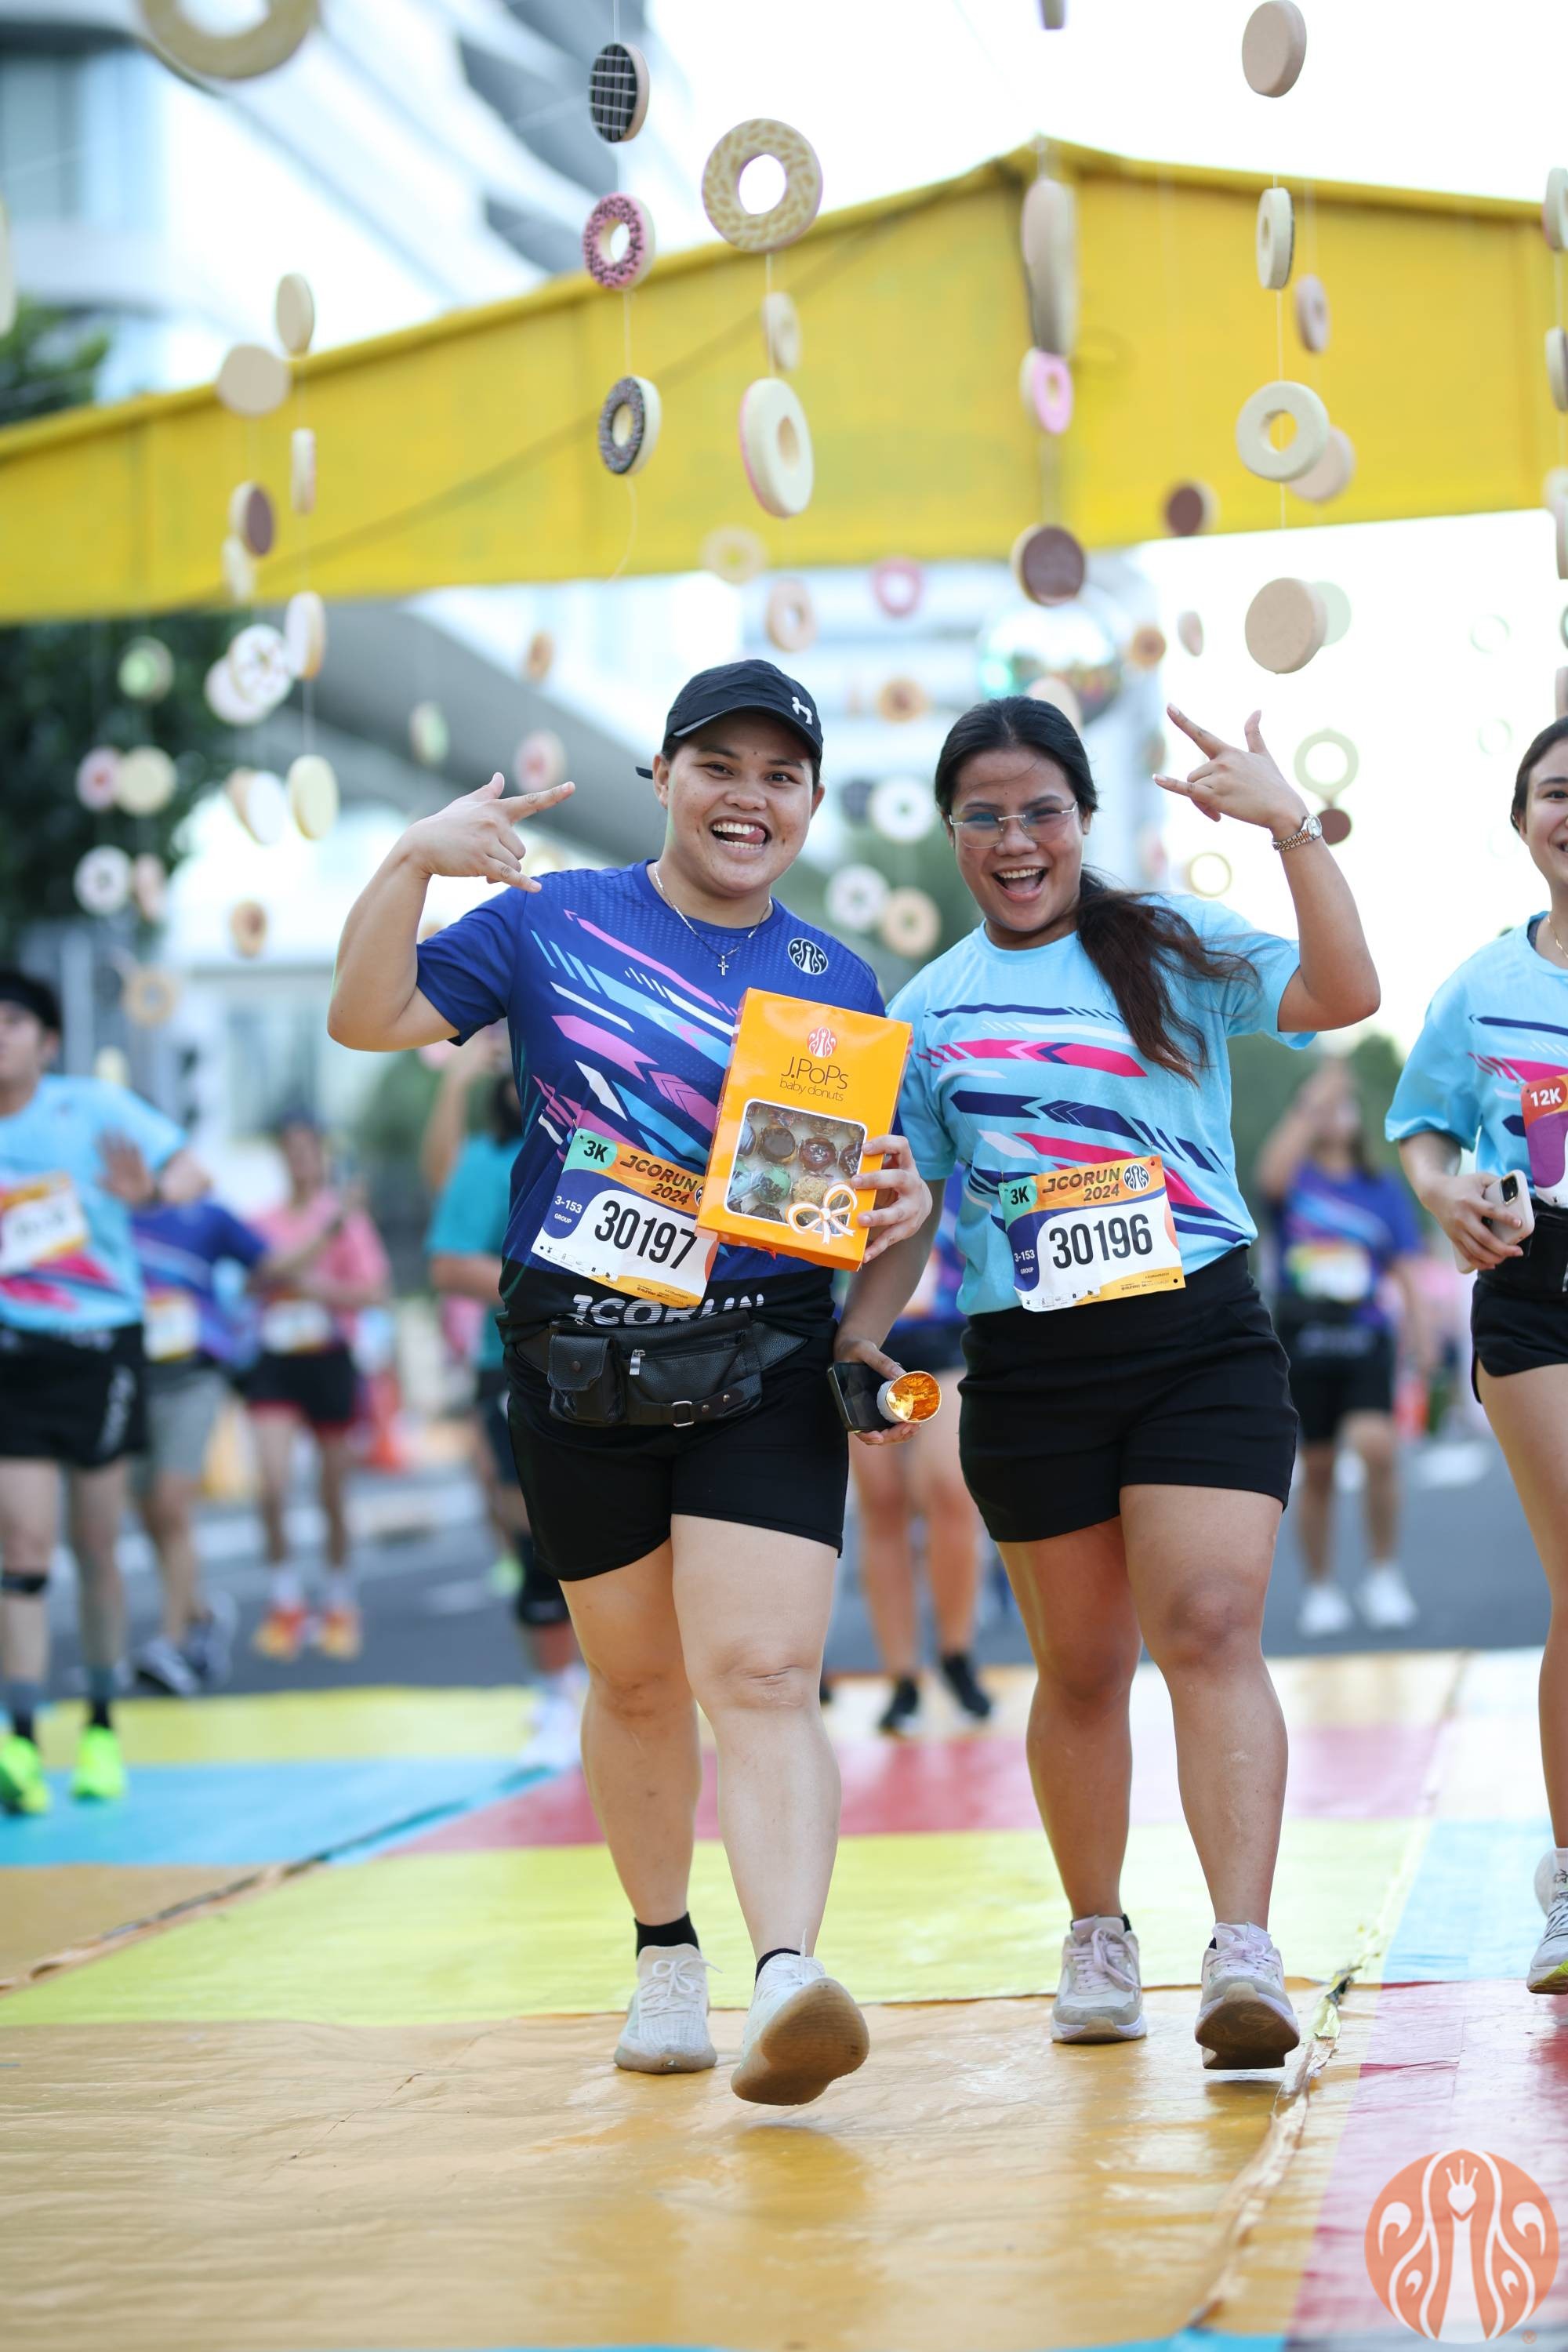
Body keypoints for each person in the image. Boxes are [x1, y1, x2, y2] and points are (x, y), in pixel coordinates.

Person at [328, 659, 931, 2107]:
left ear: (810, 804)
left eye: (780, 776)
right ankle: (667, 1955)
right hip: (577, 1359)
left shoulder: (836, 981)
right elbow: (367, 1015)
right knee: (638, 1679)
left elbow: (854, 1209)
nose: (748, 798)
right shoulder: (547, 922)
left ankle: (786, 1974)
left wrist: (892, 1236)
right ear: (663, 778)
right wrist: (413, 859)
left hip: (766, 1352)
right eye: (718, 766)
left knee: (765, 1672)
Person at [836, 697, 1379, 2068]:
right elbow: (906, 1213)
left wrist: (1292, 828)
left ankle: (1242, 1946)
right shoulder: (925, 1013)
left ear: (1082, 821)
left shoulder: (1170, 945)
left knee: (1210, 1622)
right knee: (1082, 1666)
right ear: (953, 834)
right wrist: (858, 1337)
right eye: (985, 816)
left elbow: (1344, 994)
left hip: (1199, 1340)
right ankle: (1097, 1932)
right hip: (1034, 1368)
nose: (1016, 840)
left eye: (1042, 812)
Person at [1387, 713, 1568, 1997]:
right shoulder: (1481, 987)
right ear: (1522, 823)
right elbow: (1420, 1125)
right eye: (1557, 792)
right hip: (1536, 1285)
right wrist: (1442, 1189)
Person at [0, 969, 205, 1814]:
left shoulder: (90, 1110)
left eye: (12, 1022)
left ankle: (99, 1726)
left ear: (47, 1043)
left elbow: (192, 1171)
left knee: (94, 1544)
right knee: (23, 1544)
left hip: (100, 1351)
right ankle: (19, 1738)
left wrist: (150, 1192)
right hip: (12, 1354)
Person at [424, 1058, 586, 1767]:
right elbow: (448, 1263)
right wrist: (548, 1289)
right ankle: (556, 1693)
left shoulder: (621, 1142)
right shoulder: (491, 1159)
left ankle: (618, 1679)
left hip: (632, 1356)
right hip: (521, 1364)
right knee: (537, 1536)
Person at [130, 1195, 345, 1695]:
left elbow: (274, 1267)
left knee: (175, 1505)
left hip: (198, 1375)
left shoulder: (208, 1214)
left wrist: (328, 1233)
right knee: (150, 1512)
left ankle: (172, 1641)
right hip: (133, 1376)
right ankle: (201, 1617)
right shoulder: (111, 1207)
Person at [1257, 1063, 1429, 1639]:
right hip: (1305, 1340)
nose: (1335, 1113)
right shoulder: (1296, 1179)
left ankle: (1383, 1573)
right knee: (1320, 1467)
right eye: (1324, 1107)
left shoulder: (1380, 1189)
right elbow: (1268, 1177)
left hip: (1366, 1335)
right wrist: (1313, 1100)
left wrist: (1424, 1339)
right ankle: (1321, 1587)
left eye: (1343, 1105)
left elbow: (1406, 1269)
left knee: (1377, 1447)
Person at [848, 1171, 993, 1735]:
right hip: (862, 1338)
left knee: (950, 1490)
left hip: (944, 1338)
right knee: (882, 1505)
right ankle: (902, 1678)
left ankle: (956, 1653)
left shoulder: (945, 1144)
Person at [245, 1115, 392, 1664]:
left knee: (333, 1489)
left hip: (330, 1356)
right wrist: (293, 1274)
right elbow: (252, 1279)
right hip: (275, 1359)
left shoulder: (347, 1219)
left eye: (309, 1149)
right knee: (271, 1483)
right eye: (291, 1149)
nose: (300, 1159)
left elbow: (375, 1292)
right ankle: (285, 1599)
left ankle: (338, 1599)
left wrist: (314, 1289)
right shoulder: (263, 1220)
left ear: (322, 1154)